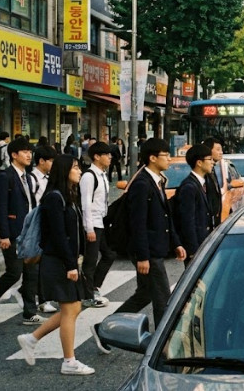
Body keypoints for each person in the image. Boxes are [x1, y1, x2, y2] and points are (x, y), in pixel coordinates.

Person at [91, 138, 186, 354]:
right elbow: (138, 223)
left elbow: (165, 217)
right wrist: (142, 256)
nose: (169, 158)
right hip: (149, 252)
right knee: (162, 298)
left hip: (155, 248)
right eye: (166, 155)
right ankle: (164, 347)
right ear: (152, 158)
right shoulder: (142, 184)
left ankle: (104, 328)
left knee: (145, 294)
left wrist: (176, 243)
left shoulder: (157, 179)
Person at [16, 155, 95, 375]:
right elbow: (59, 235)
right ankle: (69, 361)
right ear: (64, 171)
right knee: (70, 309)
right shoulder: (54, 197)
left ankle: (32, 338)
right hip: (58, 261)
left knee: (75, 307)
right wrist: (70, 264)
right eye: (76, 168)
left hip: (66, 260)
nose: (79, 171)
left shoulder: (68, 194)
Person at [0, 137, 46, 326]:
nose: (29, 155)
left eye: (30, 151)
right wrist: (3, 235)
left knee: (31, 272)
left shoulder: (26, 177)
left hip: (28, 233)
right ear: (14, 155)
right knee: (14, 272)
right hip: (13, 234)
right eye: (25, 152)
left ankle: (29, 312)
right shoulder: (6, 177)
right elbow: (0, 208)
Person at [80, 141, 115, 309]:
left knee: (109, 254)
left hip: (100, 222)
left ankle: (94, 287)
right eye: (106, 154)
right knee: (90, 261)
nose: (110, 157)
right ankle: (88, 296)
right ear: (96, 157)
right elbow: (86, 204)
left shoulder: (102, 175)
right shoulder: (89, 176)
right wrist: (89, 228)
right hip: (92, 223)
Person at [176, 144, 216, 267]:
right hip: (197, 249)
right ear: (199, 162)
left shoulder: (203, 183)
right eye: (210, 159)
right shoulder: (189, 187)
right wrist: (193, 251)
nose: (213, 162)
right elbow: (187, 221)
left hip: (204, 245)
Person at [31, 146, 59, 314]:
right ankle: (38, 298)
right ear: (41, 161)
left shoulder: (47, 178)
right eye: (51, 160)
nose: (53, 164)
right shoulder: (33, 178)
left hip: (44, 224)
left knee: (40, 264)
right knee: (34, 265)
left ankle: (40, 297)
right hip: (37, 224)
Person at [202, 137, 224, 225]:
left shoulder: (213, 170)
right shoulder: (204, 174)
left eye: (221, 150)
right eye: (218, 150)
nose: (221, 153)